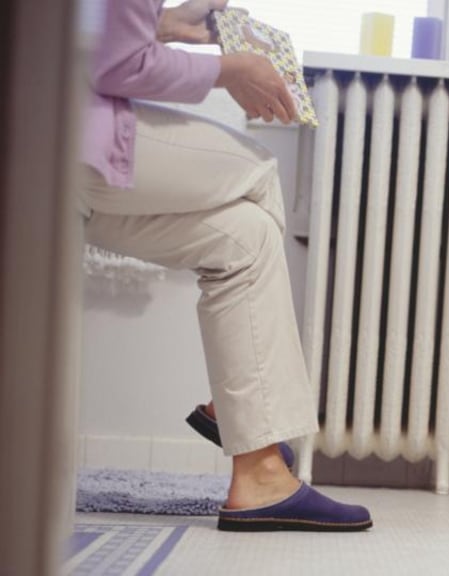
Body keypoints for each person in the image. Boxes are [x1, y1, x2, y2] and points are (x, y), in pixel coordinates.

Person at [80, 0, 371, 532]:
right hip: (66, 135)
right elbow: (116, 66)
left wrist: (163, 25)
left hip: (56, 142)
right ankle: (243, 411)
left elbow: (84, 32)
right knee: (258, 168)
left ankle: (259, 473)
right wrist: (231, 69)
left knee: (246, 236)